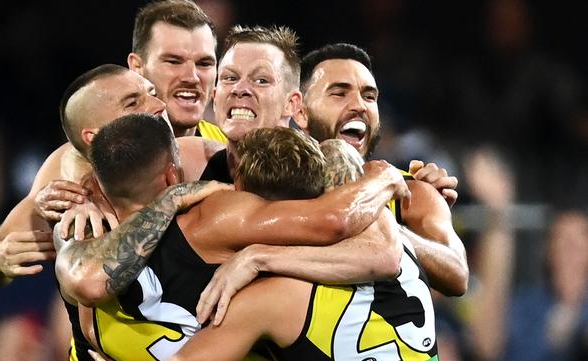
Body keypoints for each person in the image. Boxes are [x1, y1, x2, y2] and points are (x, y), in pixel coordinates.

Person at [55, 114, 408, 361]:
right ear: (172, 175)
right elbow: (335, 220)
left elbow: (87, 280)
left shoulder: (75, 246)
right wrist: (381, 176)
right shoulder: (217, 219)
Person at [0, 64, 228, 361]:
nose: (159, 106)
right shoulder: (65, 183)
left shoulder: (203, 157)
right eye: (133, 103)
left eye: (151, 94)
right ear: (93, 137)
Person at [197, 42, 467, 322]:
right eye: (339, 93)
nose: (359, 106)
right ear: (299, 111)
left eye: (369, 96)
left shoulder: (408, 190)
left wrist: (377, 221)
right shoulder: (269, 187)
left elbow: (457, 273)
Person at [126, 0, 226, 140]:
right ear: (137, 67)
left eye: (204, 63)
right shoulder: (104, 152)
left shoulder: (231, 152)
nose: (192, 77)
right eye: (174, 62)